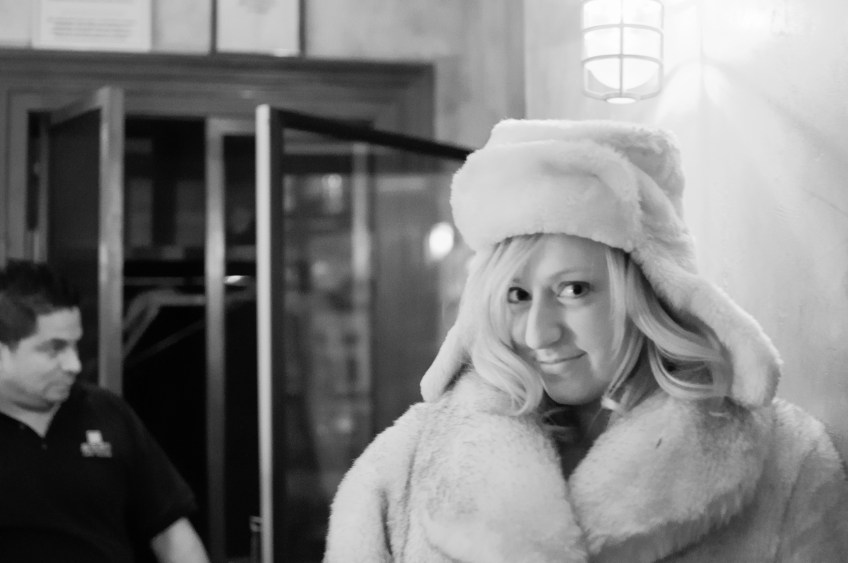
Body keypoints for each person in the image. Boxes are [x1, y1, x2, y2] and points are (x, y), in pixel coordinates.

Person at [323, 120, 848, 562]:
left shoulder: (788, 466)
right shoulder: (400, 467)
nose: (538, 333)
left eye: (574, 290)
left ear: (654, 290)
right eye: (517, 295)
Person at [0, 260, 210, 563]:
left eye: (75, 346)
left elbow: (171, 534)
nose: (73, 364)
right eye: (54, 349)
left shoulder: (106, 411)